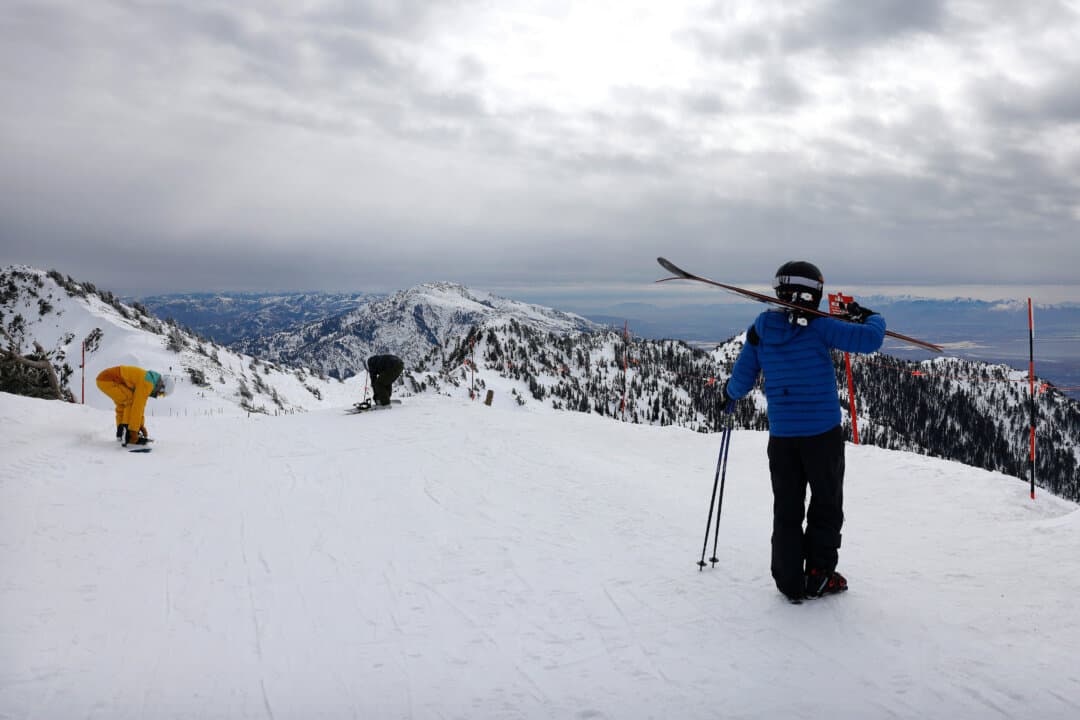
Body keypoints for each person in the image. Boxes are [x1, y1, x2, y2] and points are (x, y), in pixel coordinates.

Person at [722, 261, 885, 603]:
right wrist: (869, 315)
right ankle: (819, 575)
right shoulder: (821, 327)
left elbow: (743, 377)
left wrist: (729, 395)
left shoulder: (761, 328)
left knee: (787, 508)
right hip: (822, 436)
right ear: (814, 294)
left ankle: (788, 580)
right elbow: (870, 340)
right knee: (826, 505)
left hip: (783, 440)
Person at [96, 366, 173, 446]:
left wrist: (140, 425)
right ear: (162, 386)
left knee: (123, 404)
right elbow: (138, 407)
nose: (158, 395)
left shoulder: (149, 379)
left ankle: (121, 433)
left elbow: (140, 406)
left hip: (105, 379)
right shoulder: (147, 383)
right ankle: (127, 434)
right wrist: (133, 431)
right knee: (130, 400)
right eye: (161, 393)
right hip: (108, 380)